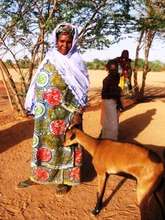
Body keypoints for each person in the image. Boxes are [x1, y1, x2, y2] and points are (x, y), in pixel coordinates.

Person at [18, 23, 89, 194]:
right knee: (42, 143)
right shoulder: (49, 57)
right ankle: (39, 175)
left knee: (66, 144)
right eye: (61, 41)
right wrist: (34, 102)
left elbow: (82, 90)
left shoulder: (77, 62)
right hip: (44, 114)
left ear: (74, 42)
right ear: (55, 40)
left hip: (66, 113)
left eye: (68, 42)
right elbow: (37, 81)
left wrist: (77, 113)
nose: (64, 45)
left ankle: (66, 179)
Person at [100, 59, 123, 140]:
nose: (113, 70)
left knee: (113, 122)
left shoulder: (117, 77)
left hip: (114, 102)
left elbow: (116, 90)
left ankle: (110, 138)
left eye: (115, 68)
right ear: (108, 69)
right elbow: (104, 94)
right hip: (108, 102)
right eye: (111, 68)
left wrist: (119, 102)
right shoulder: (106, 80)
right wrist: (115, 93)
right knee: (109, 123)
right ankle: (108, 140)